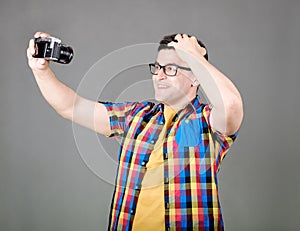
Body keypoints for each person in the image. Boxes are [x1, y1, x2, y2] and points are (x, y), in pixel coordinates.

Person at [27, 32, 243, 231]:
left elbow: (231, 104)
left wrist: (196, 56)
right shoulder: (137, 117)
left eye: (170, 69)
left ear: (196, 77)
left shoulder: (208, 122)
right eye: (157, 67)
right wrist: (41, 71)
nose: (158, 76)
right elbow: (71, 107)